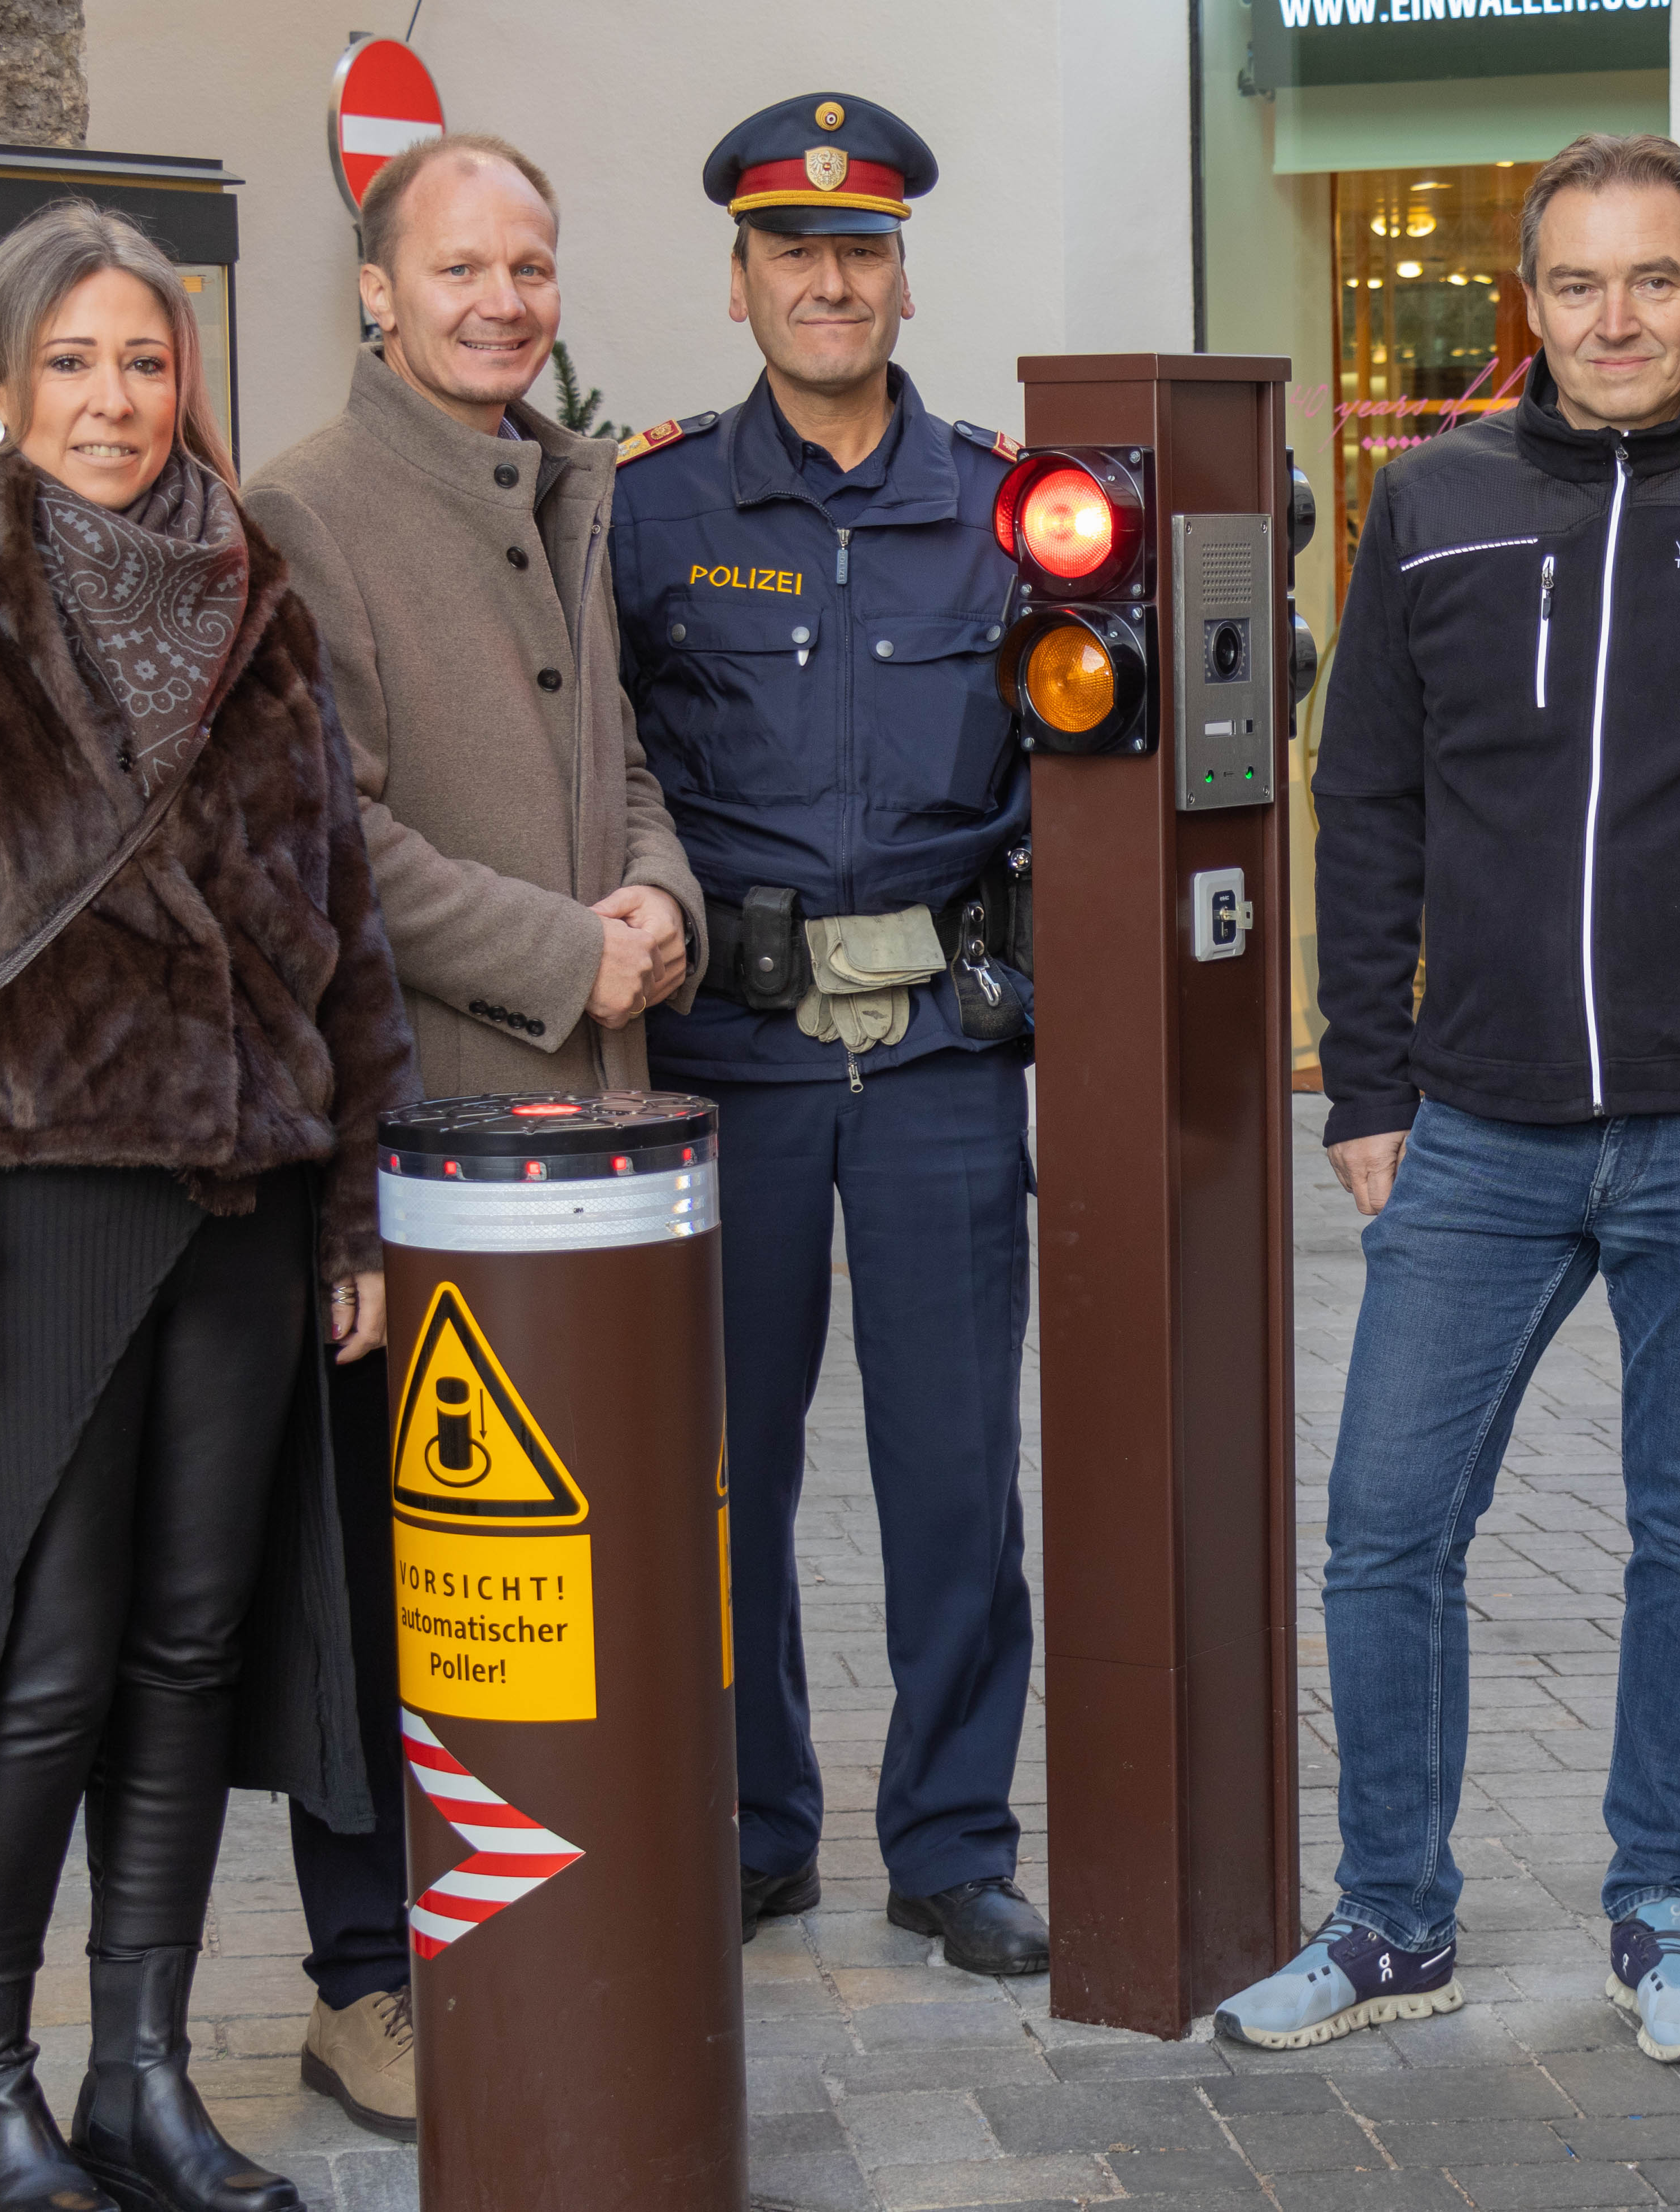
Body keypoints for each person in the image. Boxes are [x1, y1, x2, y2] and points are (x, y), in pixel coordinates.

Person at [1214, 132, 1680, 2064]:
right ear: (1523, 299)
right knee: (1382, 1522)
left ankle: (1661, 1913)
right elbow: (1359, 791)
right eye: (1572, 283)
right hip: (1477, 1123)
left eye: (1648, 280)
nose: (1610, 319)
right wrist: (1359, 1070)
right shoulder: (1434, 504)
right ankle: (1390, 1919)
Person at [0, 201, 417, 2212]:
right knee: (39, 1661)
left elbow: (339, 927)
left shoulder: (257, 602)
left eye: (144, 363)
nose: (115, 401)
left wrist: (357, 1211)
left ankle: (136, 2068)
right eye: (72, 366)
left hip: (239, 1196)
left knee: (189, 1649)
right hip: (26, 1220)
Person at [243, 129, 704, 2138]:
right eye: (460, 266)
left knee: (556, 1567)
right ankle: (367, 1978)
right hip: (409, 1136)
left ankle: (546, 1916)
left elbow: (630, 765)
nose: (503, 298)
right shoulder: (300, 511)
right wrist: (565, 952)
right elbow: (327, 833)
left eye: (531, 262)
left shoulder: (575, 486)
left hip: (593, 1144)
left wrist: (662, 906)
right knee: (392, 1573)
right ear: (373, 285)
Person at [609, 93, 1046, 1976]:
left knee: (953, 1472)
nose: (827, 279)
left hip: (942, 1061)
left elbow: (1075, 782)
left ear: (897, 274)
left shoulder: (1009, 505)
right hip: (735, 1063)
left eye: (857, 249)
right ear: (738, 282)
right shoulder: (644, 508)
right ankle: (748, 1823)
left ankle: (950, 1842)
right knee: (727, 1468)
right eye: (791, 249)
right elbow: (598, 771)